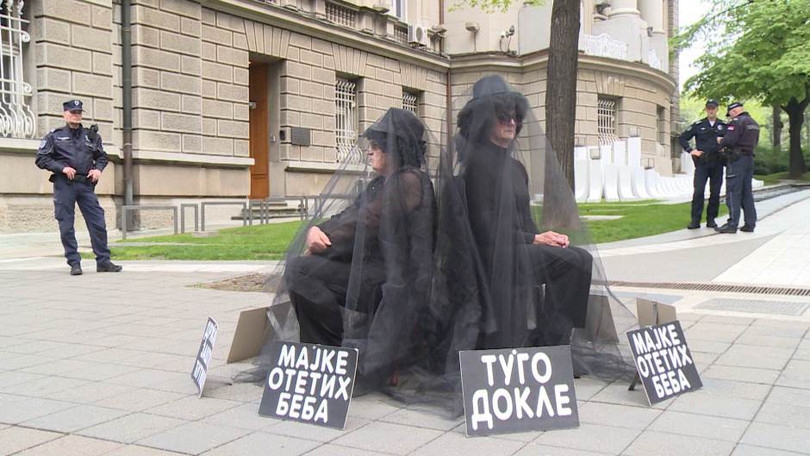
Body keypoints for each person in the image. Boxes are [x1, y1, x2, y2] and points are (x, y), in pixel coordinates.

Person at [275, 108, 436, 387]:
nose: (369, 151)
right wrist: (318, 231)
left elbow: (368, 221)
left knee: (301, 270)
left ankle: (328, 356)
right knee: (301, 270)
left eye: (376, 145)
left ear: (394, 147)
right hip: (376, 274)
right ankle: (327, 354)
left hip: (396, 283)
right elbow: (349, 214)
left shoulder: (410, 181)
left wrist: (324, 243)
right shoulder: (380, 184)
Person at [454, 75, 594, 349]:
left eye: (514, 116)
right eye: (502, 116)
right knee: (575, 263)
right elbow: (484, 230)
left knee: (578, 257)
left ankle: (554, 339)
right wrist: (533, 240)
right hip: (490, 257)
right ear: (484, 120)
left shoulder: (516, 168)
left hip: (515, 249)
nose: (511, 122)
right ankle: (553, 344)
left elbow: (525, 220)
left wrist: (547, 236)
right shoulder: (477, 165)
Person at [35, 100, 122, 276]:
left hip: (85, 185)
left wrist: (98, 169)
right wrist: (62, 168)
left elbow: (102, 157)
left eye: (79, 112)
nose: (76, 115)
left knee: (98, 222)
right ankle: (74, 262)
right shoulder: (54, 136)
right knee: (66, 224)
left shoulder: (91, 136)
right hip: (64, 184)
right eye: (73, 112)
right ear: (65, 114)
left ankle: (103, 261)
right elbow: (41, 159)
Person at [679, 99, 726, 229]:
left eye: (713, 108)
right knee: (699, 191)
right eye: (709, 108)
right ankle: (695, 220)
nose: (711, 110)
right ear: (706, 109)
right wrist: (691, 151)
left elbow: (731, 142)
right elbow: (682, 138)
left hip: (717, 162)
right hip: (702, 162)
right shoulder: (699, 125)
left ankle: (711, 219)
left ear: (717, 109)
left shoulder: (723, 126)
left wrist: (725, 148)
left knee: (715, 192)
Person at [716, 101, 759, 233]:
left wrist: (721, 141)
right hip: (749, 159)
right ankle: (750, 223)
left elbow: (729, 140)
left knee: (733, 192)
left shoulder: (736, 122)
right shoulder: (754, 123)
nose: (729, 117)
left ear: (733, 112)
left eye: (729, 114)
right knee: (747, 193)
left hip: (737, 160)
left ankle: (732, 224)